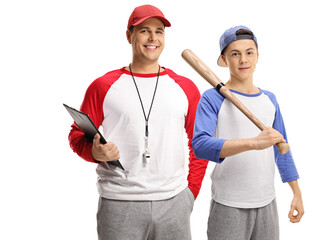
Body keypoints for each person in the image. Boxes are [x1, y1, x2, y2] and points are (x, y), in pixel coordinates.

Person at [68, 5, 208, 240]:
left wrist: (190, 193)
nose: (153, 38)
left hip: (173, 202)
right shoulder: (103, 86)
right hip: (119, 203)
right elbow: (76, 135)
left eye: (159, 31)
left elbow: (200, 143)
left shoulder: (185, 87)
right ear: (129, 35)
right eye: (144, 30)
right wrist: (95, 152)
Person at [192, 25, 304, 240]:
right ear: (224, 59)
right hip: (228, 204)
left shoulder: (269, 99)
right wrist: (253, 143)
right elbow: (201, 146)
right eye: (235, 53)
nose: (243, 60)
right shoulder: (212, 98)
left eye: (249, 52)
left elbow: (282, 147)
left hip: (267, 203)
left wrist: (296, 192)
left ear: (257, 56)